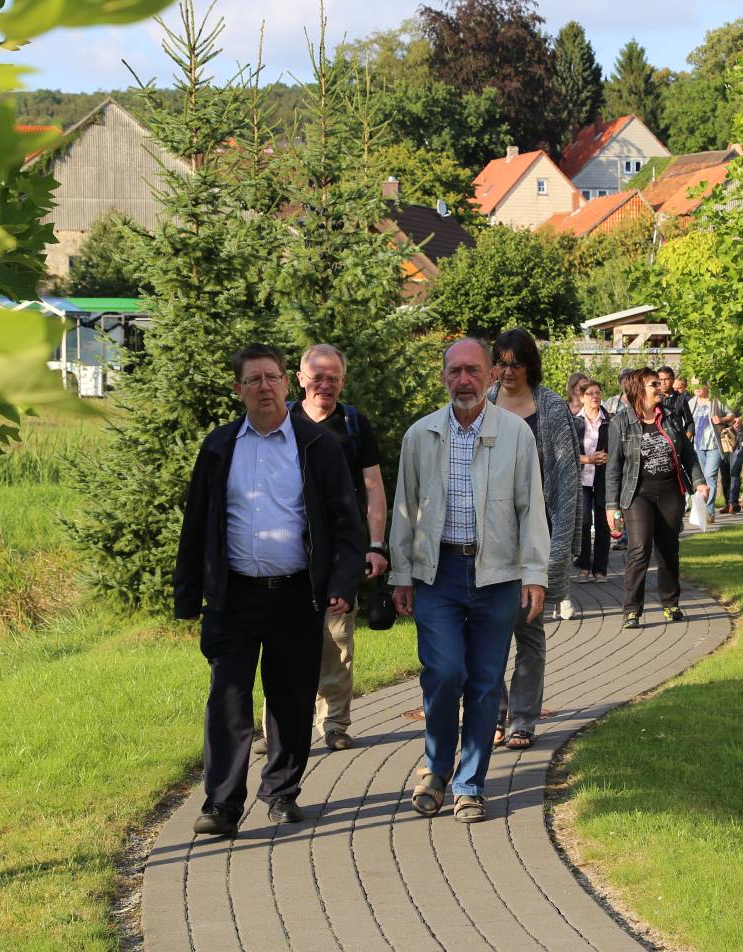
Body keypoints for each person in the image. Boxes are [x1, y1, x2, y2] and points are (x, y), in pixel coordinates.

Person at [174, 343, 366, 839]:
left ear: (287, 383)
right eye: (254, 379)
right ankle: (220, 804)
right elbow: (197, 524)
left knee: (291, 698)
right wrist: (188, 593)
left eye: (273, 377)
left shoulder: (315, 445)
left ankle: (281, 793)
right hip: (232, 596)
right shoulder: (219, 447)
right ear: (239, 389)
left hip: (295, 595)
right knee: (228, 699)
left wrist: (342, 581)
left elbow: (347, 520)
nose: (265, 387)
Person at [389, 338, 549, 823]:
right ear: (443, 377)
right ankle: (436, 769)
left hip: (497, 575)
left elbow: (531, 508)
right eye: (455, 371)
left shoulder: (516, 433)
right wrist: (401, 574)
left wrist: (534, 573)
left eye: (473, 371)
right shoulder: (420, 435)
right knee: (443, 673)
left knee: (483, 682)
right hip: (437, 574)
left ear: (490, 376)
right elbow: (404, 509)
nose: (464, 380)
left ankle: (469, 784)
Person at [486, 329, 581, 750]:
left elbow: (565, 479)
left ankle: (522, 719)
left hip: (533, 536)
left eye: (516, 364)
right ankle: (494, 713)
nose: (508, 372)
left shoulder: (551, 407)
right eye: (501, 363)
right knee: (487, 631)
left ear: (530, 366)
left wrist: (557, 546)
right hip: (487, 536)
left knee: (528, 629)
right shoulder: (482, 403)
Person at [292, 343, 389, 751]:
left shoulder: (353, 424)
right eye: (317, 377)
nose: (324, 385)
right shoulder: (281, 421)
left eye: (333, 378)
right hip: (290, 553)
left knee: (336, 640)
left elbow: (373, 487)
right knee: (288, 642)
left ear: (343, 381)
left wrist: (377, 545)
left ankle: (334, 723)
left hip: (339, 553)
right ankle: (283, 723)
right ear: (300, 379)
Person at [606, 368, 708, 628]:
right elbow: (614, 468)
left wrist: (699, 482)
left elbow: (688, 455)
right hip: (637, 494)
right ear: (639, 389)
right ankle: (631, 610)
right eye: (654, 384)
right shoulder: (620, 422)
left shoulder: (671, 418)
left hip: (670, 492)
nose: (660, 387)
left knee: (668, 549)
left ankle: (671, 604)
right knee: (639, 549)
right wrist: (611, 506)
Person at [574, 378, 611, 582]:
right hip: (582, 478)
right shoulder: (574, 421)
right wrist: (587, 459)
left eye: (598, 392)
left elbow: (618, 449)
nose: (595, 396)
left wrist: (609, 456)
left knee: (604, 523)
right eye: (590, 393)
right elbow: (567, 452)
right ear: (582, 397)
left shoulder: (610, 420)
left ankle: (600, 569)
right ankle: (584, 567)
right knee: (584, 522)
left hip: (604, 477)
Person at [688, 379, 731, 512]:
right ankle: (701, 509)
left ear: (707, 386)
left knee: (709, 475)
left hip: (714, 445)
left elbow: (731, 415)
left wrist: (722, 419)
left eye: (700, 384)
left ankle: (709, 511)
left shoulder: (716, 401)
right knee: (701, 479)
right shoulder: (691, 402)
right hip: (698, 446)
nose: (697, 387)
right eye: (694, 385)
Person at [656, 364, 693, 443]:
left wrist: (686, 442)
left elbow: (689, 423)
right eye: (660, 379)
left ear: (672, 380)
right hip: (658, 443)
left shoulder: (681, 398)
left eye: (666, 379)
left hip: (677, 442)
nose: (663, 383)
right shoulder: (654, 398)